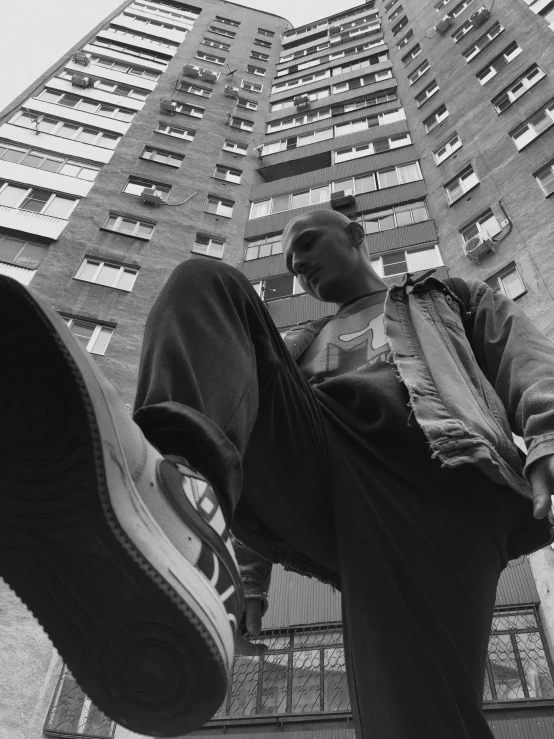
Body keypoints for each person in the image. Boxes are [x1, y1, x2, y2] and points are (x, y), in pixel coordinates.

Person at [1, 209, 554, 739]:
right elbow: (248, 434)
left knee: (414, 718)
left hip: (441, 480)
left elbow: (524, 357)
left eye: (306, 244)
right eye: (288, 261)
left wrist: (547, 434)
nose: (297, 266)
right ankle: (175, 501)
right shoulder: (295, 346)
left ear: (357, 235)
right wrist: (245, 585)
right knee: (206, 280)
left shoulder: (446, 297)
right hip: (327, 473)